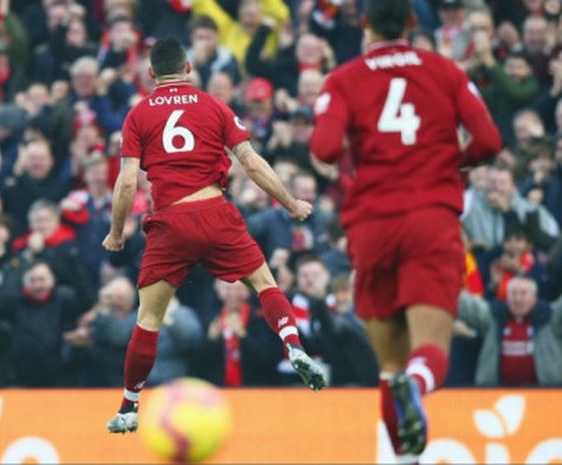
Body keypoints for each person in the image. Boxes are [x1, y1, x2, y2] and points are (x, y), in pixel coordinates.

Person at [103, 36, 326, 433]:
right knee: (264, 284)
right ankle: (293, 343)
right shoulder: (214, 106)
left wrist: (117, 233)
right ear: (189, 68)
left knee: (150, 318)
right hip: (215, 212)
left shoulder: (138, 115)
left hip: (171, 222)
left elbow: (125, 183)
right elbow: (252, 164)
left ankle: (129, 405)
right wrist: (291, 204)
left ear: (152, 74)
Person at [309, 0, 501, 458]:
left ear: (364, 22)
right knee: (428, 352)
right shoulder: (446, 71)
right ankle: (417, 385)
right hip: (430, 221)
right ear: (414, 22)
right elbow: (490, 141)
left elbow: (325, 148)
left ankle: (404, 453)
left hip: (371, 226)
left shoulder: (343, 79)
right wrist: (452, 162)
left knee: (389, 366)